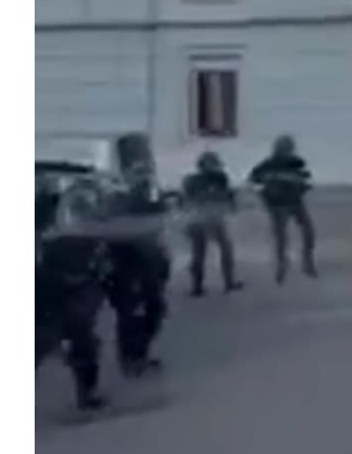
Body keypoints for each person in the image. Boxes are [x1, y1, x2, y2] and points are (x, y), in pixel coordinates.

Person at [36, 172, 109, 411]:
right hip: (49, 287)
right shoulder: (44, 219)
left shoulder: (91, 223)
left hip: (76, 287)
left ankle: (87, 393)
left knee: (82, 339)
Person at [103, 161, 172, 378]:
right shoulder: (117, 200)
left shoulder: (153, 200)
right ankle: (130, 360)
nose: (143, 179)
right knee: (129, 313)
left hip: (149, 263)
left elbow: (161, 227)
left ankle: (139, 354)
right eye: (138, 174)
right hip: (125, 264)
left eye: (146, 174)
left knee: (155, 309)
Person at [249, 136, 316, 283]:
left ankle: (307, 261)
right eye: (285, 147)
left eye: (289, 147)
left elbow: (307, 180)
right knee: (281, 237)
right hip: (277, 204)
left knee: (308, 232)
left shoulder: (297, 162)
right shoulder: (267, 164)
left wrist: (301, 187)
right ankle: (282, 264)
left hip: (295, 201)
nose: (288, 150)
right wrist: (265, 195)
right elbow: (254, 181)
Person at [181, 151, 243, 296]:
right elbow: (228, 198)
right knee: (217, 250)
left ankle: (199, 287)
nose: (216, 167)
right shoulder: (216, 179)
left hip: (201, 219)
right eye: (213, 164)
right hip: (207, 219)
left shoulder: (193, 180)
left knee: (200, 253)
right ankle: (226, 283)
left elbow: (185, 201)